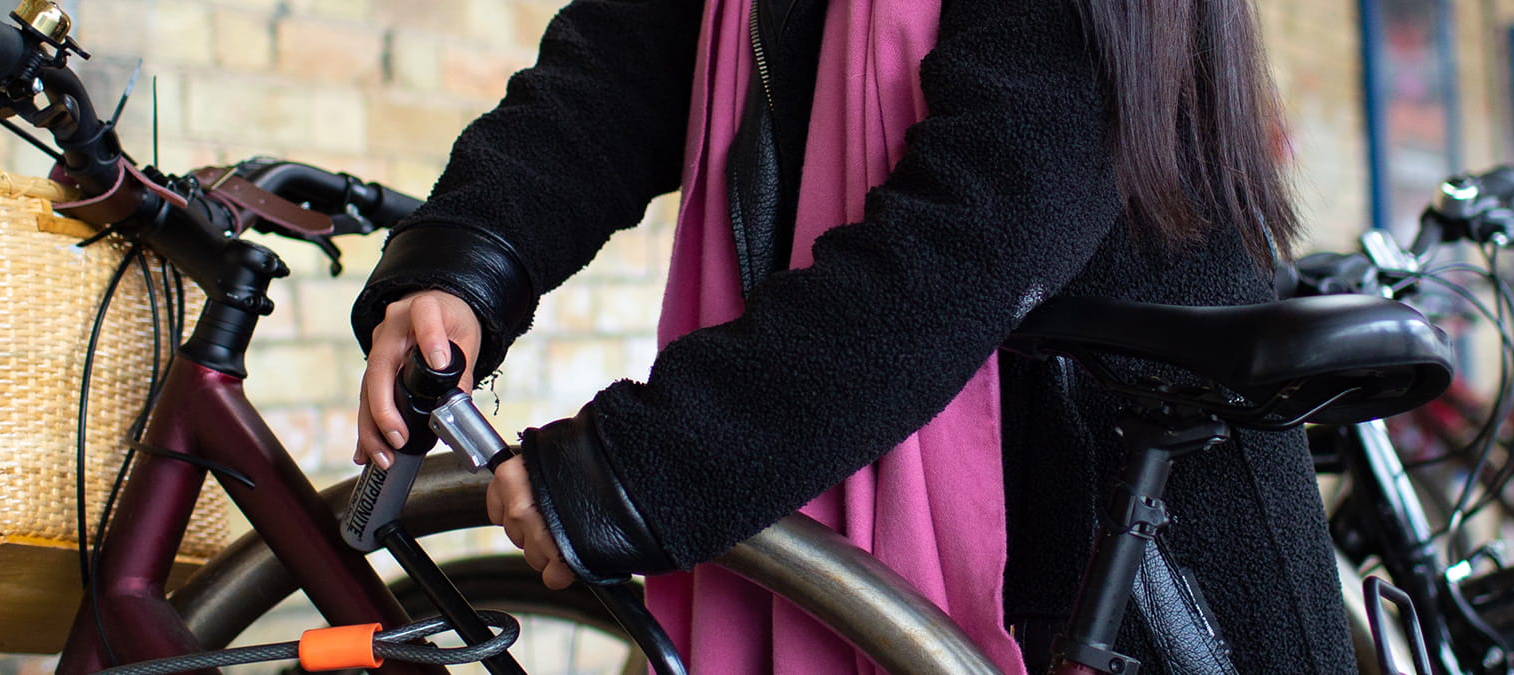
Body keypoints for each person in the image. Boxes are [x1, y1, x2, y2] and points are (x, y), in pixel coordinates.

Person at [349, 0, 1356, 671]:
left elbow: (982, 226)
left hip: (1121, 561)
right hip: (842, 477)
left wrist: (647, 467)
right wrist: (466, 263)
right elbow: (620, 66)